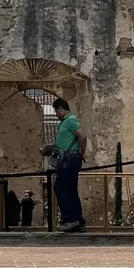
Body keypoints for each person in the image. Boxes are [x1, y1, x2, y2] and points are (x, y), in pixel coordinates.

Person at [48, 97, 86, 233]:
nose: (56, 115)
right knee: (70, 190)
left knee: (60, 188)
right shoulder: (66, 121)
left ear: (60, 109)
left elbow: (82, 135)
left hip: (69, 159)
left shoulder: (70, 120)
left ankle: (69, 219)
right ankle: (78, 221)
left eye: (56, 112)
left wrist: (83, 152)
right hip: (69, 157)